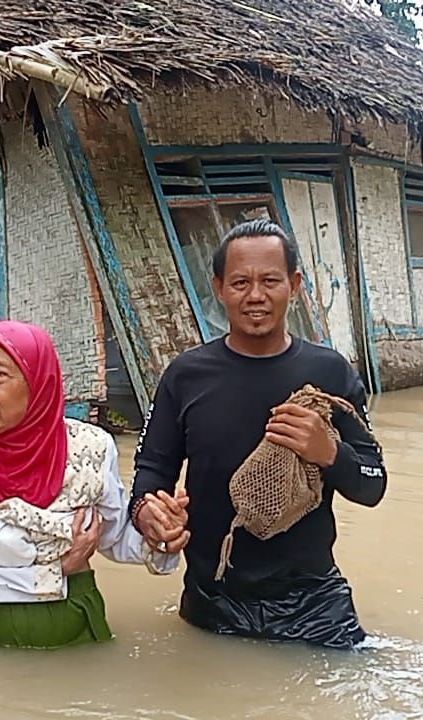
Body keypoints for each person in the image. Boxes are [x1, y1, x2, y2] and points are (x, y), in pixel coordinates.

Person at [128, 218, 389, 650]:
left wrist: (329, 452)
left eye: (270, 280)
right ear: (218, 287)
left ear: (295, 284)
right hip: (212, 602)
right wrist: (147, 514)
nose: (255, 296)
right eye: (240, 282)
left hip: (315, 607)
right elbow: (152, 471)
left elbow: (373, 484)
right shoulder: (185, 376)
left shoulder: (330, 373)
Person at [0, 320, 183, 649]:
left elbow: (115, 538)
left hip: (79, 619)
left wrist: (159, 533)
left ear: (37, 383)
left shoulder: (91, 447)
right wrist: (56, 571)